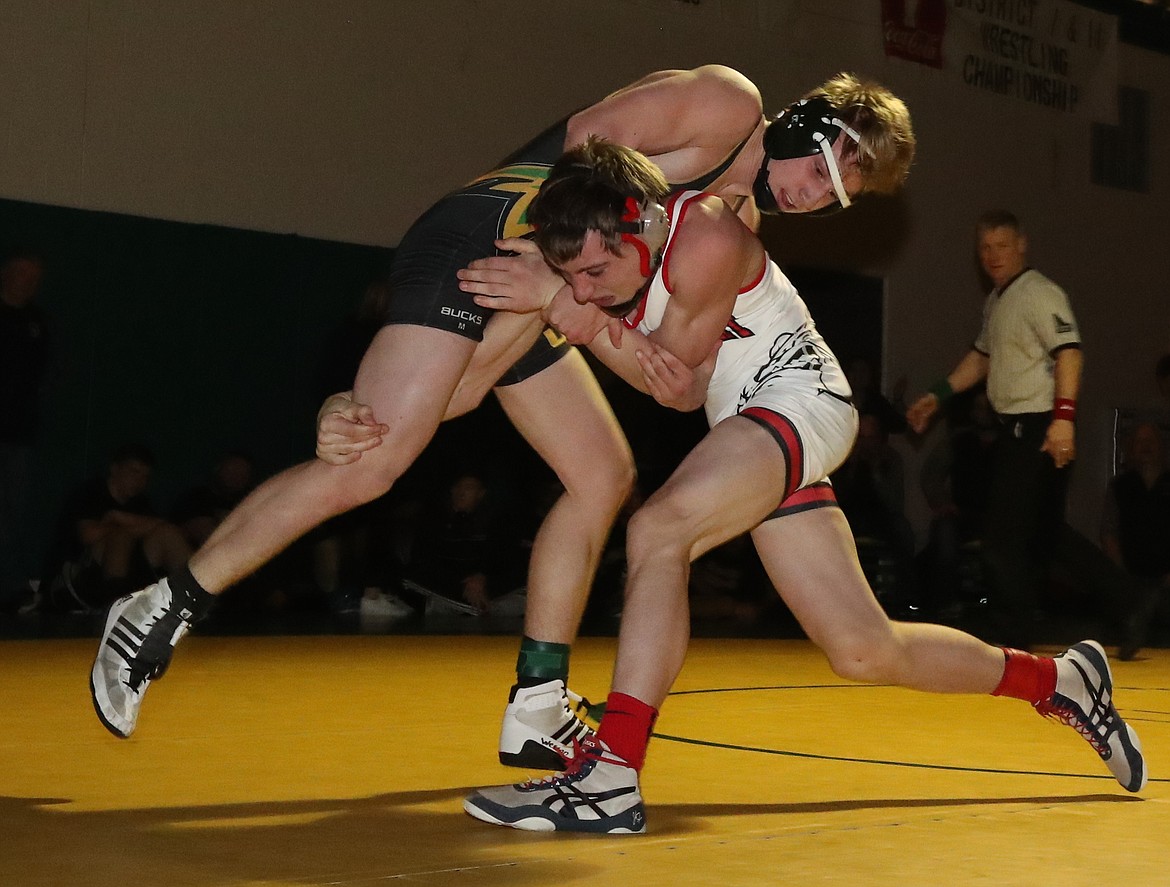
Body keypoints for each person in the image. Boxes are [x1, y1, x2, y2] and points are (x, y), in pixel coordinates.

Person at [91, 66, 910, 762]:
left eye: (838, 197)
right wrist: (556, 280)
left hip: (551, 282)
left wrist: (565, 300)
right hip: (501, 232)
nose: (816, 196)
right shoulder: (725, 108)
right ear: (806, 122)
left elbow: (673, 377)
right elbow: (581, 147)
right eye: (824, 169)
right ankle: (163, 604)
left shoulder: (731, 226)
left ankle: (539, 703)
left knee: (600, 473)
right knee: (376, 457)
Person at [453, 141, 1145, 835]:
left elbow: (671, 373)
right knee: (865, 648)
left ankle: (612, 776)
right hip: (754, 426)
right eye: (572, 277)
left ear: (637, 223)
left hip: (797, 402)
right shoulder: (612, 259)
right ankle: (1060, 681)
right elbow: (670, 379)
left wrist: (581, 318)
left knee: (658, 529)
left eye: (595, 271)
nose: (584, 289)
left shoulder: (707, 236)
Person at [906, 211, 1154, 658]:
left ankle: (1013, 634)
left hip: (1039, 426)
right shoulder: (999, 300)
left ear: (1022, 245)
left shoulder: (1039, 293)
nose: (992, 256)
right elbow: (982, 358)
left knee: (1002, 535)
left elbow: (1070, 353)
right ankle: (1132, 601)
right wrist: (937, 395)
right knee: (1045, 535)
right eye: (984, 248)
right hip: (1022, 427)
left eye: (1001, 245)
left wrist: (1063, 419)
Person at [43, 444, 191, 612]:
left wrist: (117, 517)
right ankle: (116, 608)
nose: (140, 481)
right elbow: (88, 535)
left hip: (129, 578)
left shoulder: (140, 503)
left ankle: (199, 594)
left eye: (145, 477)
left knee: (167, 534)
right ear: (115, 469)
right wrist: (124, 526)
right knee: (121, 536)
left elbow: (164, 526)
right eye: (134, 472)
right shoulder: (90, 492)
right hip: (79, 579)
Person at [0, 246, 50, 607]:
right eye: (23, 274)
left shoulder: (38, 322)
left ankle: (6, 587)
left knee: (12, 513)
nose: (28, 283)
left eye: (35, 279)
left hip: (19, 433)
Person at [1101, 421, 1170, 602]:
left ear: (1161, 446)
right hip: (1130, 582)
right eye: (1140, 441)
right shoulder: (1119, 487)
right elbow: (1109, 532)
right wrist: (1123, 575)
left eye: (1151, 440)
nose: (1146, 445)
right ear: (1132, 447)